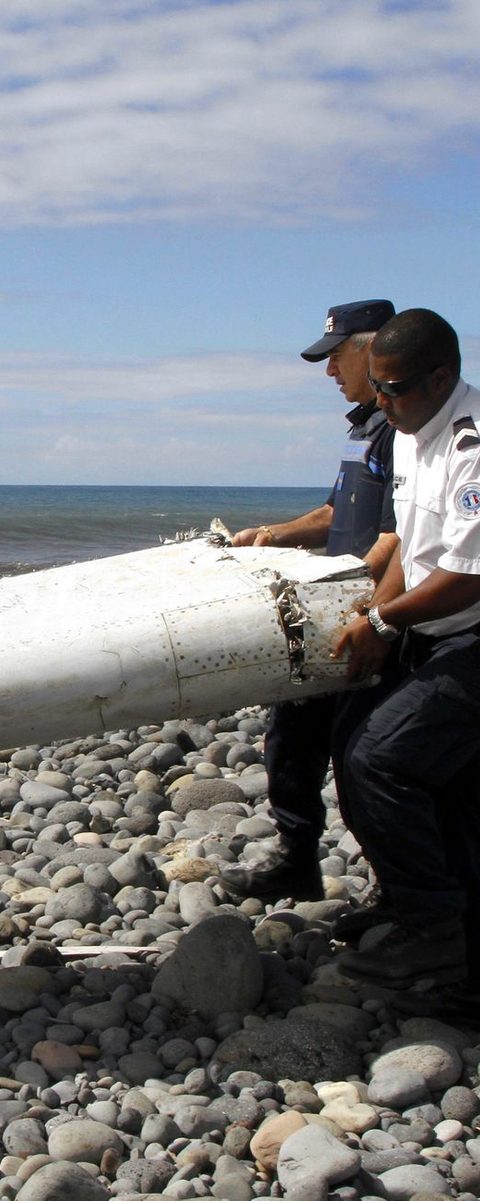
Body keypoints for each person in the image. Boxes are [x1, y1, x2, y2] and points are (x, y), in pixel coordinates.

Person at [220, 299, 399, 904]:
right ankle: (297, 857)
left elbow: (403, 539)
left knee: (363, 760)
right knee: (291, 735)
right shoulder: (362, 429)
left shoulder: (405, 432)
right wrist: (271, 535)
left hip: (375, 618)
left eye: (336, 357)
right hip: (335, 609)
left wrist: (369, 611)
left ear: (374, 350)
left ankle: (397, 891)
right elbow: (333, 514)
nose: (329, 372)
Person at [328, 308, 480, 1019]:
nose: (380, 403)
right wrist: (374, 622)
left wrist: (386, 619)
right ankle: (427, 907)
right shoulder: (413, 431)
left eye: (393, 389)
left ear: (441, 378)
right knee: (358, 743)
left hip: (473, 633)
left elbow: (468, 575)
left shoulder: (470, 444)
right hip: (430, 629)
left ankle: (436, 932)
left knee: (381, 760)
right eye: (379, 391)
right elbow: (411, 552)